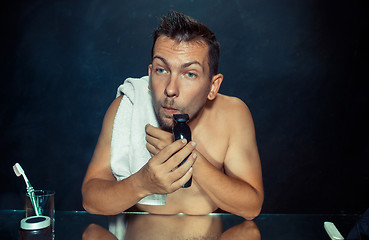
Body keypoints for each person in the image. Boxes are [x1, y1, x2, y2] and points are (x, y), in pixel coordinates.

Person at [82, 11, 263, 220]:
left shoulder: (233, 114)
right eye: (161, 70)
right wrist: (142, 183)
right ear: (149, 77)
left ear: (213, 86)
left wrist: (186, 156)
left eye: (190, 74)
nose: (170, 89)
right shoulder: (127, 107)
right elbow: (91, 199)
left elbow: (251, 207)